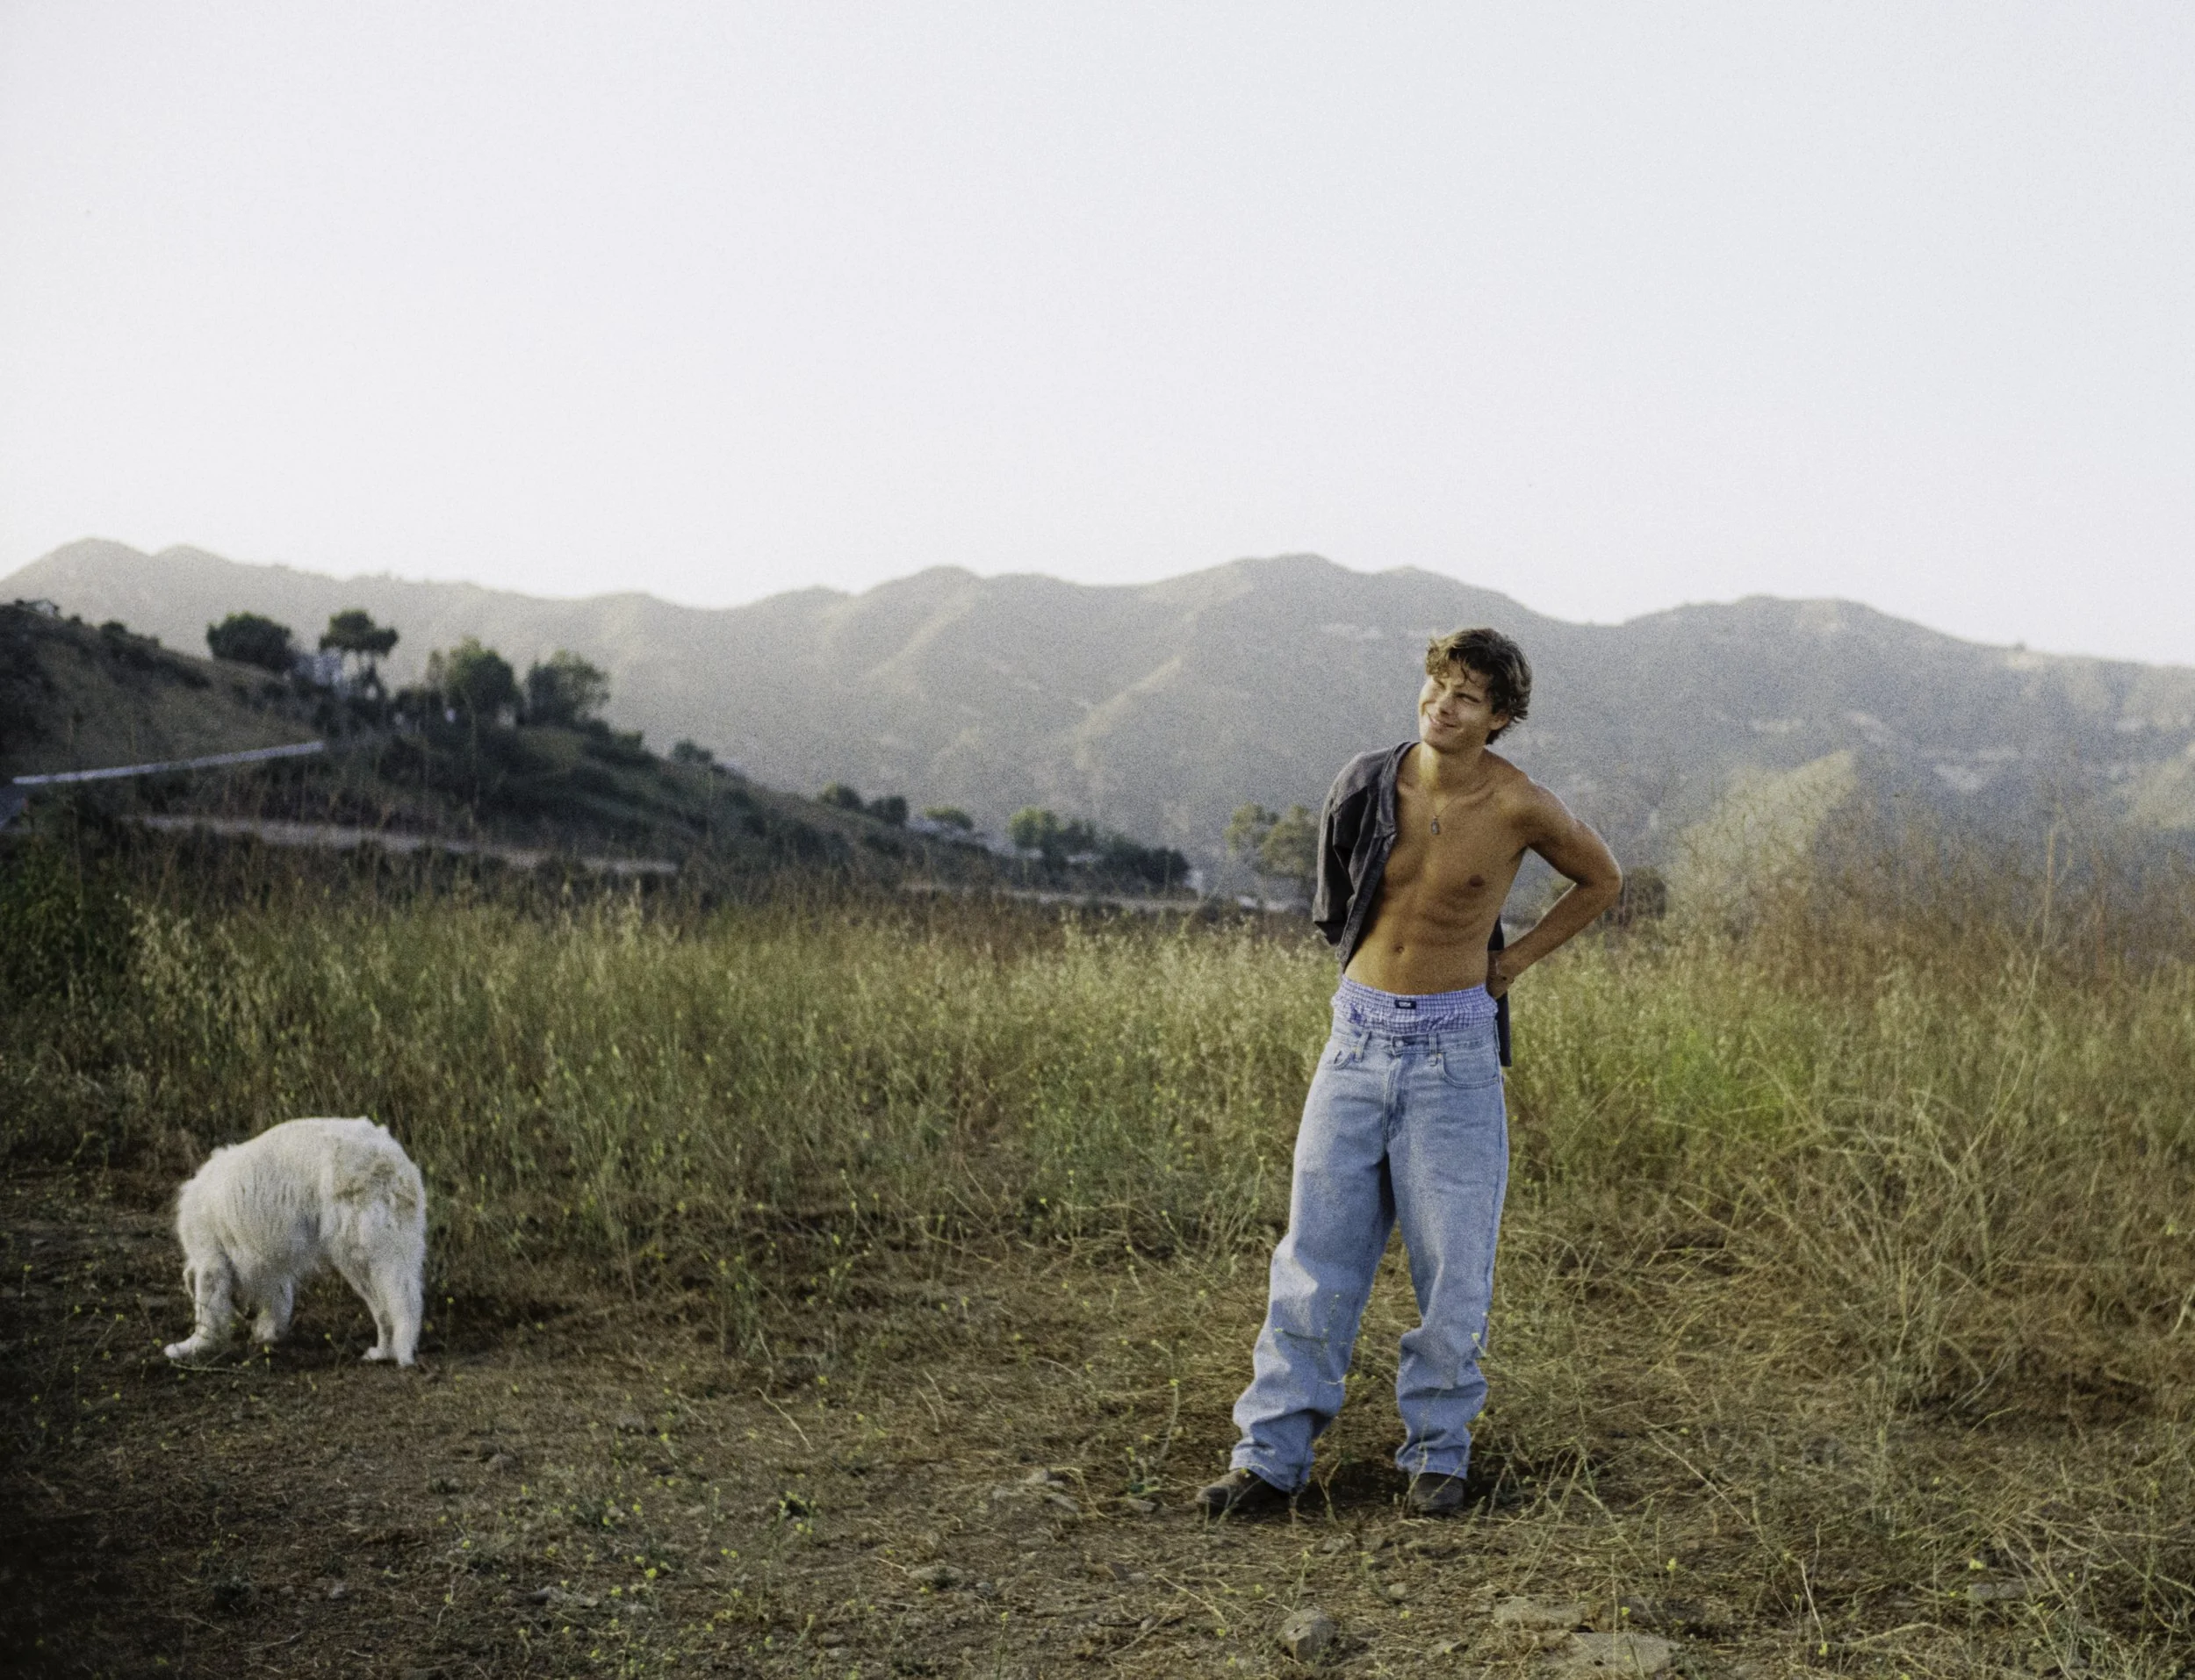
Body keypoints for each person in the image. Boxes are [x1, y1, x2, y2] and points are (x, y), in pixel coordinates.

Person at [1198, 627, 1622, 1518]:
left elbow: (1601, 880)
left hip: (1453, 1051)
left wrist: (1510, 966)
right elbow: (1335, 902)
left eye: (1467, 695)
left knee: (1452, 1267)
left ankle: (1437, 1455)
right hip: (1354, 1038)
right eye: (1436, 685)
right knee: (1313, 1258)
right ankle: (1267, 1462)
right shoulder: (1367, 779)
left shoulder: (1519, 807)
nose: (1443, 704)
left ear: (1499, 717)